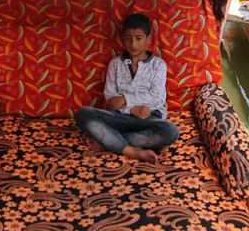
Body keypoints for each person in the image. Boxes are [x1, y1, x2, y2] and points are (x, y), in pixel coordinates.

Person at [74, 13, 180, 162]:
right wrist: (131, 109)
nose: (133, 44)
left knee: (171, 131)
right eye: (128, 39)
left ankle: (109, 141)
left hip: (148, 119)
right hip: (119, 119)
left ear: (148, 39)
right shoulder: (115, 64)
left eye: (138, 38)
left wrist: (125, 99)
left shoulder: (158, 65)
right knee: (83, 113)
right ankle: (132, 150)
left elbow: (157, 98)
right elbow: (111, 102)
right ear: (122, 39)